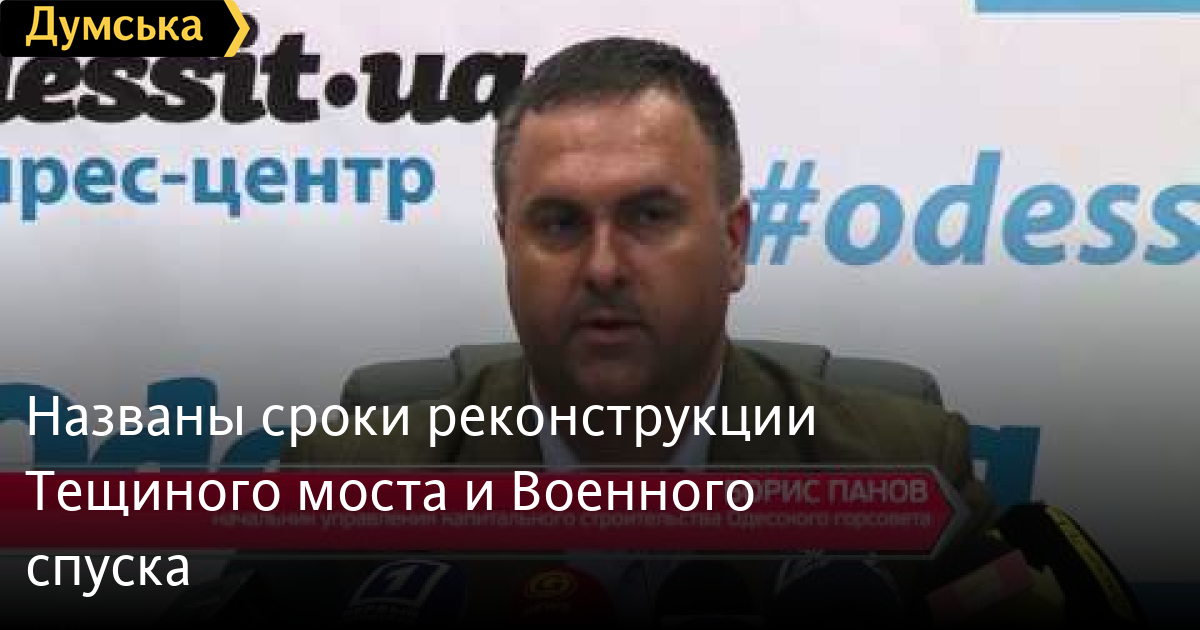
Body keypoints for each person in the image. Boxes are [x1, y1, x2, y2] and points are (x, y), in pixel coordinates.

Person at [283, 36, 997, 623]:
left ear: (734, 242)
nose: (602, 267)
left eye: (649, 216)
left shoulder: (907, 468)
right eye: (558, 223)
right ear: (507, 247)